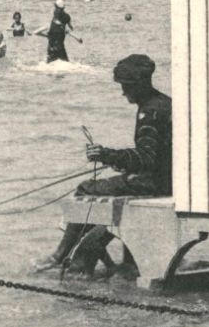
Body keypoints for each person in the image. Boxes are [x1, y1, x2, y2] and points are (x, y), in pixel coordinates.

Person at [42, 54, 172, 274]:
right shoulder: (164, 103)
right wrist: (119, 162)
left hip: (155, 183)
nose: (123, 92)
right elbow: (155, 155)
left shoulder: (149, 112)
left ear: (139, 84)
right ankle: (124, 262)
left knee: (86, 188)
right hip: (168, 179)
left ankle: (60, 254)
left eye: (126, 87)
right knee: (109, 186)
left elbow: (146, 157)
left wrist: (107, 155)